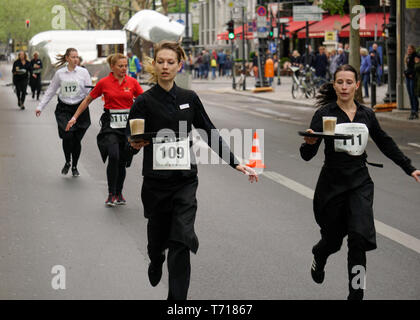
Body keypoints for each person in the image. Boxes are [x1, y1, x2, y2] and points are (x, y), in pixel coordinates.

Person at [126, 40, 258, 300]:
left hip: (184, 181)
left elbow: (209, 131)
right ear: (154, 64)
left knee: (181, 239)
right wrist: (133, 146)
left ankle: (177, 302)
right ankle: (155, 259)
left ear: (179, 66)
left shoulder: (189, 99)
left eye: (170, 62)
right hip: (155, 182)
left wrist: (235, 161)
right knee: (157, 239)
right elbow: (129, 140)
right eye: (160, 61)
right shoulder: (143, 102)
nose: (165, 66)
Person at [300, 64, 420, 300]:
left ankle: (356, 296)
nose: (344, 86)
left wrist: (410, 168)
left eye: (349, 82)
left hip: (359, 182)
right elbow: (306, 154)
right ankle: (320, 254)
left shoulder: (367, 115)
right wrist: (309, 143)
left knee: (358, 239)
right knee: (333, 242)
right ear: (334, 85)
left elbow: (385, 143)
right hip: (332, 185)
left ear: (357, 85)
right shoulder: (325, 114)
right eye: (340, 82)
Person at [66, 53, 144, 206]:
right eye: (120, 66)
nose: (124, 69)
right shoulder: (104, 82)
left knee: (122, 160)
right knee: (113, 156)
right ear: (112, 67)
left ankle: (119, 192)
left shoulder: (133, 82)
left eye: (125, 66)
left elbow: (146, 101)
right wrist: (74, 117)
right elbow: (88, 99)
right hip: (110, 125)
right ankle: (111, 194)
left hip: (128, 126)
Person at [35, 48, 92, 177]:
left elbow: (90, 92)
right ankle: (67, 161)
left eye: (77, 57)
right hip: (64, 109)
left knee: (76, 140)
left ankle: (75, 166)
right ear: (67, 58)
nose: (76, 59)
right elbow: (50, 91)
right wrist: (40, 107)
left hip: (80, 109)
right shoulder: (60, 74)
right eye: (73, 57)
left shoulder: (83, 72)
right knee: (68, 136)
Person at [404, 45, 419, 120]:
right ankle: (412, 110)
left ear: (413, 49)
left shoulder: (415, 56)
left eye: (410, 49)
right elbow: (408, 67)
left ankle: (415, 111)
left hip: (412, 77)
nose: (409, 50)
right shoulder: (408, 57)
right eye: (408, 49)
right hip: (408, 77)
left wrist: (410, 74)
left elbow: (415, 67)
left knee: (413, 94)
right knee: (410, 94)